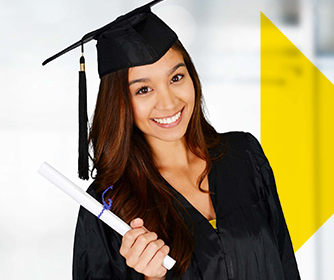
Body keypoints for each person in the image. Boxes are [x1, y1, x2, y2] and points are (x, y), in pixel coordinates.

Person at [42, 1, 300, 279]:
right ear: (120, 104)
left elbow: (284, 261)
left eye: (176, 77)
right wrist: (152, 277)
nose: (168, 102)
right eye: (143, 89)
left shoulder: (243, 155)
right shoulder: (109, 205)